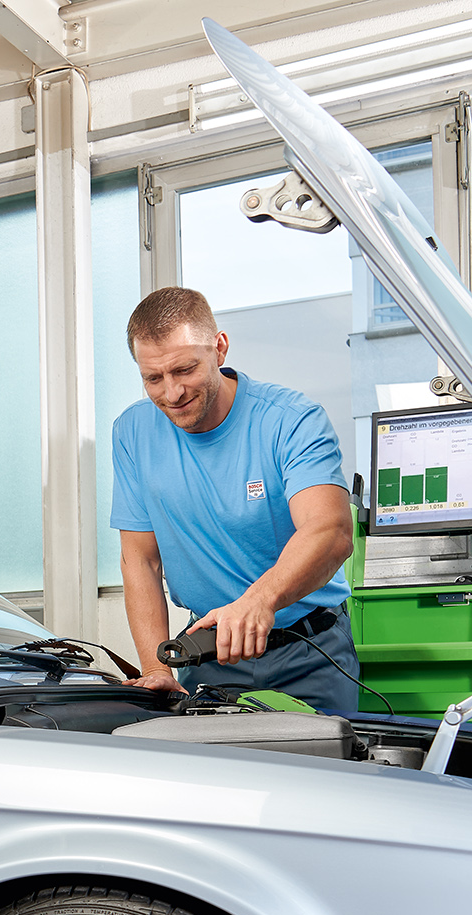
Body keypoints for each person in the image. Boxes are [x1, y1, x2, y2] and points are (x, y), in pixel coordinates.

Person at [111, 286, 361, 716]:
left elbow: (331, 532)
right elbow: (141, 560)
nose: (172, 393)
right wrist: (156, 667)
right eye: (153, 378)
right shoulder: (132, 433)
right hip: (209, 654)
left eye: (185, 369)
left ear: (220, 348)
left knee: (327, 760)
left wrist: (258, 601)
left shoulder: (290, 420)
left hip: (309, 648)